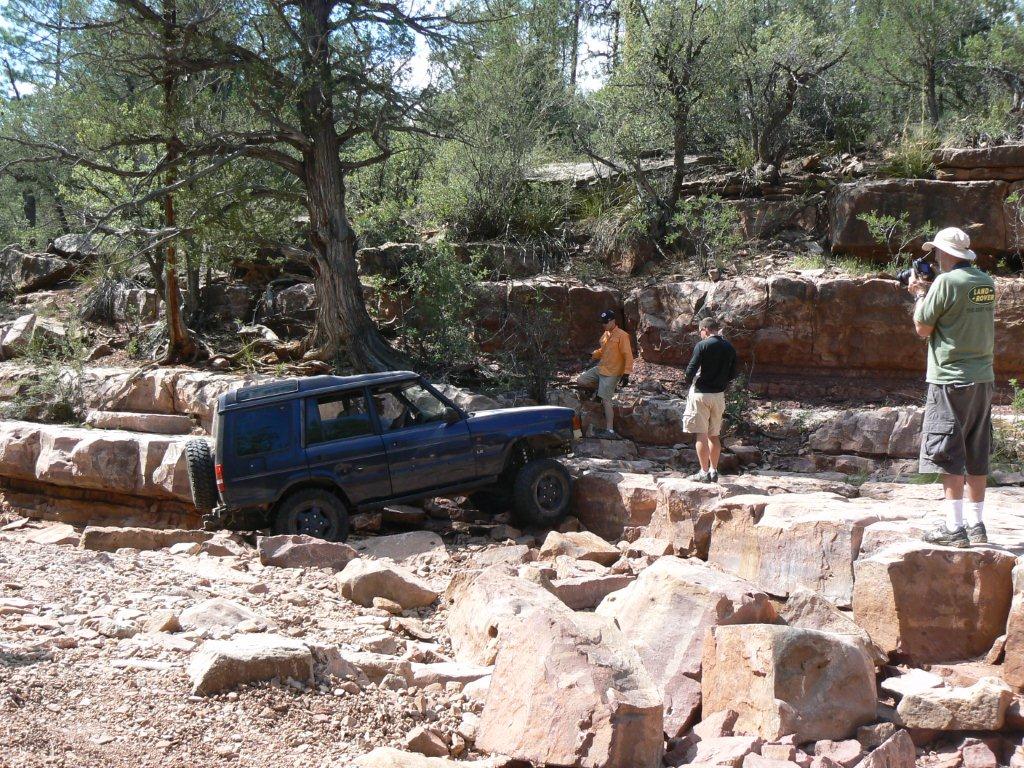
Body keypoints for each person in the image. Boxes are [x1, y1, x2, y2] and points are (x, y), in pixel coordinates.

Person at [908, 226, 996, 548]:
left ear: (945, 253)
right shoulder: (986, 282)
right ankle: (977, 525)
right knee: (976, 450)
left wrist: (920, 293)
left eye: (936, 251)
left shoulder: (944, 283)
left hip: (950, 379)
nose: (934, 257)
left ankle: (954, 528)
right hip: (982, 379)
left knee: (948, 451)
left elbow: (922, 327)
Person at [682, 316, 737, 483]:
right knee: (714, 435)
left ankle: (703, 472)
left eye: (700, 331)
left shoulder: (703, 345)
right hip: (718, 395)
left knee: (701, 435)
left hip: (701, 394)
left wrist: (687, 380)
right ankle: (714, 471)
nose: (700, 334)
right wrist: (721, 382)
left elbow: (691, 369)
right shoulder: (729, 346)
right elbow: (733, 372)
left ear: (705, 329)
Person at [577, 309, 634, 439]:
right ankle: (598, 392)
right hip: (601, 368)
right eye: (602, 322)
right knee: (581, 381)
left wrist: (626, 374)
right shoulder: (606, 334)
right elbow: (603, 351)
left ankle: (610, 430)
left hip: (612, 373)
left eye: (606, 322)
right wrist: (593, 355)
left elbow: (628, 356)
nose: (604, 325)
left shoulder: (622, 336)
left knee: (606, 400)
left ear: (613, 321)